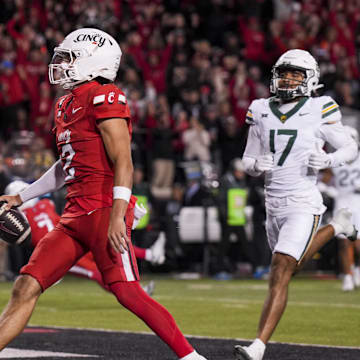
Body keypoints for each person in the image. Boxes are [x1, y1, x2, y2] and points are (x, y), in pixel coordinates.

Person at [0, 28, 207, 360]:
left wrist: (117, 215)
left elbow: (124, 161)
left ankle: (191, 357)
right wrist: (21, 197)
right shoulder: (65, 103)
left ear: (91, 62)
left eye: (69, 58)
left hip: (102, 210)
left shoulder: (105, 95)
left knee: (127, 292)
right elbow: (66, 164)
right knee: (25, 285)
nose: (61, 64)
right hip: (73, 216)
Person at [235, 49, 358, 360]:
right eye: (284, 72)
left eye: (295, 74)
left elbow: (350, 147)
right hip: (272, 203)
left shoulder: (319, 107)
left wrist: (329, 158)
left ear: (310, 79)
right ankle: (336, 226)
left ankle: (258, 345)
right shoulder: (260, 108)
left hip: (303, 201)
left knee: (280, 268)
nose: (288, 78)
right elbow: (247, 158)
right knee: (288, 269)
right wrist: (255, 166)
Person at [4, 180, 165, 294]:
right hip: (71, 239)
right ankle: (150, 256)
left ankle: (138, 290)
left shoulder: (22, 217)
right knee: (112, 247)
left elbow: (22, 237)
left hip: (56, 250)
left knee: (95, 271)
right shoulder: (45, 205)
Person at [329, 126, 360, 291]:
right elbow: (324, 178)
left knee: (357, 244)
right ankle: (347, 276)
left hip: (358, 203)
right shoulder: (336, 159)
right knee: (343, 242)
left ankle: (357, 270)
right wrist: (326, 188)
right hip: (341, 203)